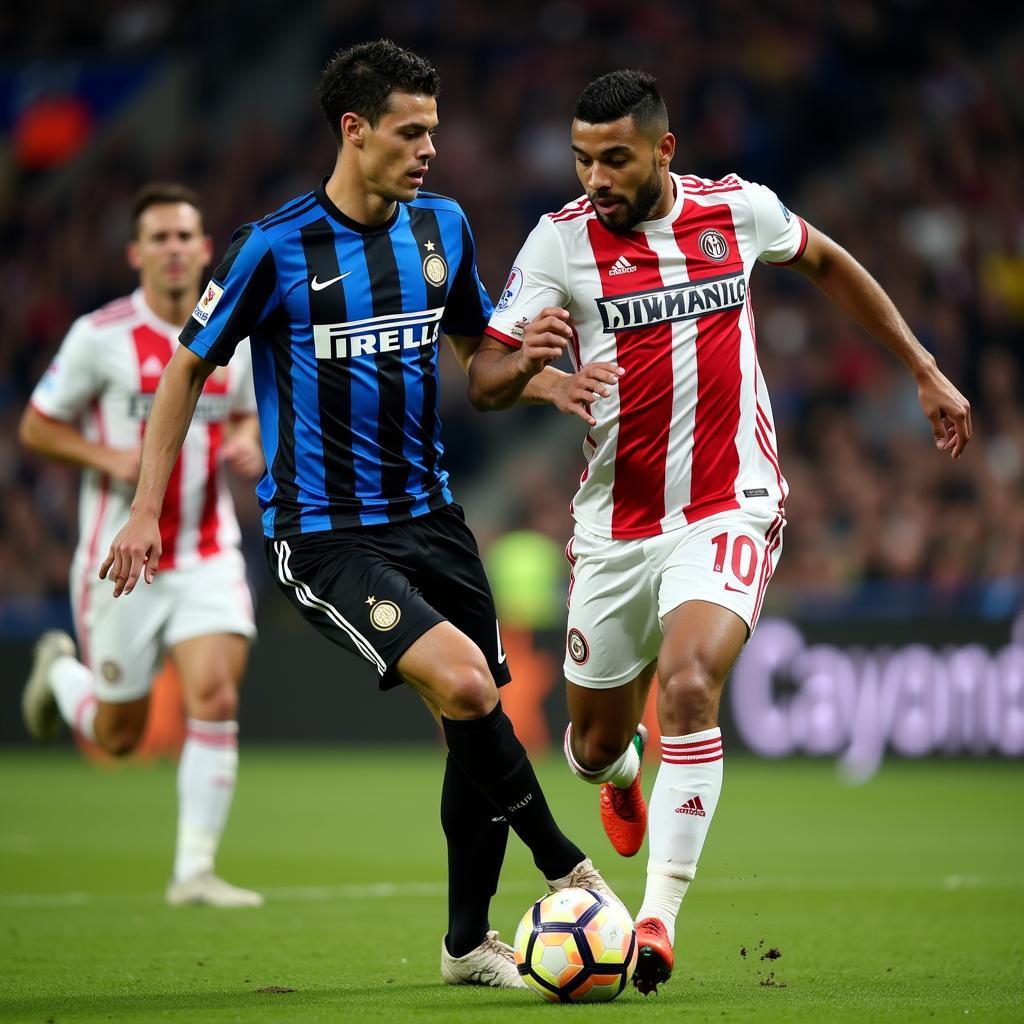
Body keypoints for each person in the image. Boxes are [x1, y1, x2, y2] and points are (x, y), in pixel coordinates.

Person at [98, 40, 622, 988]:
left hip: (433, 520)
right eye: (410, 131)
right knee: (466, 689)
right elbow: (186, 366)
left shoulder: (445, 229)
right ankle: (569, 869)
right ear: (354, 130)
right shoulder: (274, 246)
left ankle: (467, 946)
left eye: (434, 130)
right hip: (327, 536)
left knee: (476, 721)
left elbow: (480, 365)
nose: (430, 148)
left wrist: (545, 383)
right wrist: (144, 508)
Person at [468, 69, 972, 993]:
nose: (595, 178)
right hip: (613, 527)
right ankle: (623, 775)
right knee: (588, 746)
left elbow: (824, 259)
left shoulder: (737, 211)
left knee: (691, 684)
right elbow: (484, 379)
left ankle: (655, 919)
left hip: (729, 502)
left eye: (614, 159)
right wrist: (532, 371)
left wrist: (922, 366)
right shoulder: (558, 243)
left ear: (663, 150)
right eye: (582, 159)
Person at [19, 182, 265, 908]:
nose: (174, 249)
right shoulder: (100, 336)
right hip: (118, 560)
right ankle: (62, 677)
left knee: (216, 692)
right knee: (120, 735)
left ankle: (193, 870)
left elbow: (249, 415)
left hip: (206, 549)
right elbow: (37, 425)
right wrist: (109, 460)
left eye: (186, 235)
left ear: (204, 248)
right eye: (158, 238)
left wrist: (248, 443)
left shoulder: (235, 332)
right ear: (136, 254)